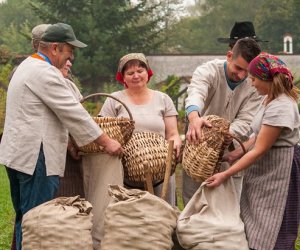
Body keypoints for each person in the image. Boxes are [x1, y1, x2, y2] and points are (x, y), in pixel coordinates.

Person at [0, 22, 123, 250]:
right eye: (69, 50)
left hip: (18, 154)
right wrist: (106, 142)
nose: (71, 57)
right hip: (36, 157)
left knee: (24, 217)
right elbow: (73, 111)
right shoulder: (44, 72)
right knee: (37, 219)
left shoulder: (27, 66)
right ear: (55, 48)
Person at [82, 53, 182, 249]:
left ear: (148, 72)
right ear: (122, 77)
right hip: (126, 170)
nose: (136, 75)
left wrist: (176, 141)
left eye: (140, 70)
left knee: (162, 216)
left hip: (160, 168)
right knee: (130, 217)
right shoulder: (114, 100)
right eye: (130, 72)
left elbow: (172, 133)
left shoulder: (163, 99)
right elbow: (104, 128)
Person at [206, 52, 300, 250]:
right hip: (265, 170)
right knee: (255, 219)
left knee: (273, 225)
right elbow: (257, 136)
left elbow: (260, 149)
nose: (251, 83)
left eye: (254, 78)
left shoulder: (282, 106)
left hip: (279, 173)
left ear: (268, 79)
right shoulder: (269, 100)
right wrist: (235, 153)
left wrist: (225, 174)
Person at [183, 38, 262, 205]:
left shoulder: (255, 84)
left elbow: (247, 118)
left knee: (227, 205)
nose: (241, 75)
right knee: (193, 201)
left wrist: (229, 134)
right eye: (238, 68)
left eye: (246, 71)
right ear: (229, 55)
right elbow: (196, 92)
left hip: (229, 152)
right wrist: (195, 118)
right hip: (197, 148)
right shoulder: (209, 70)